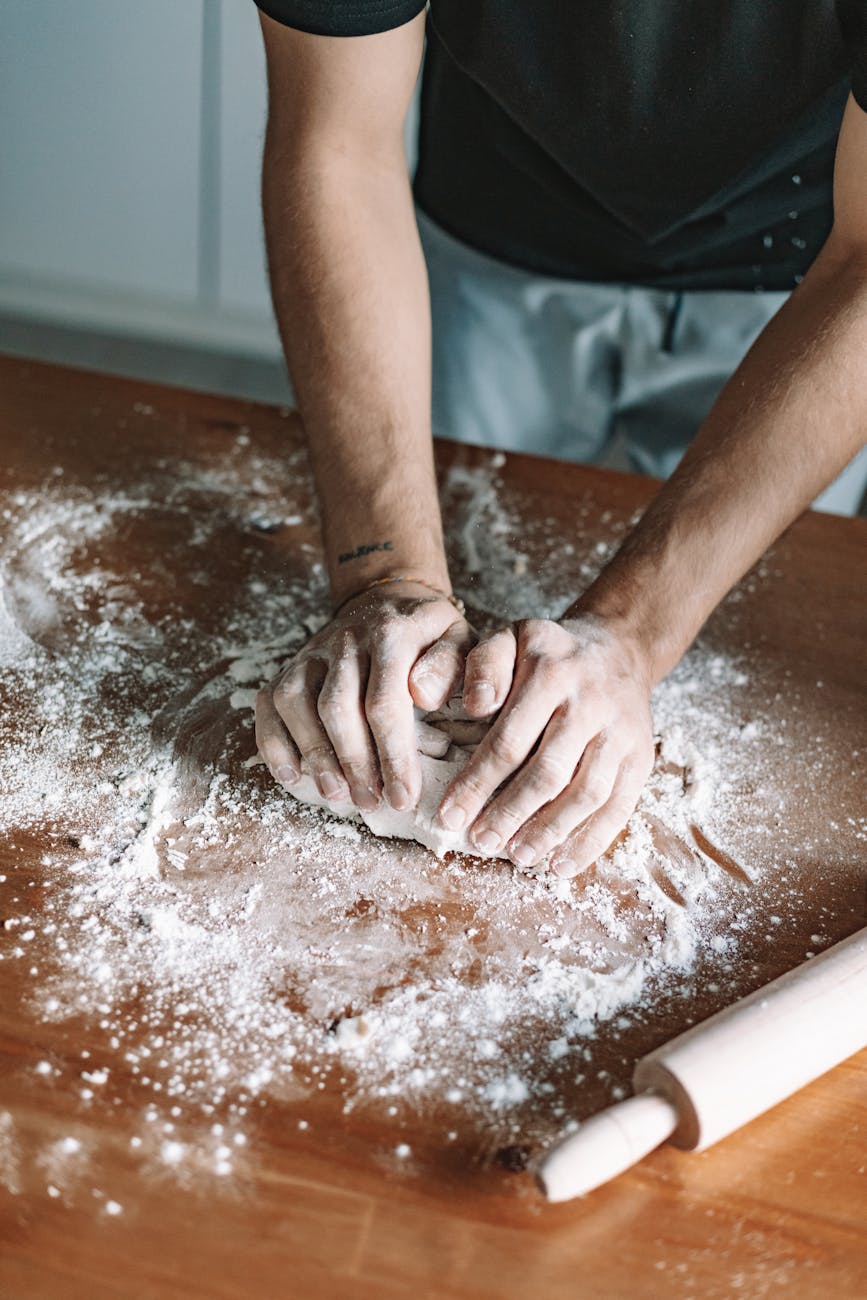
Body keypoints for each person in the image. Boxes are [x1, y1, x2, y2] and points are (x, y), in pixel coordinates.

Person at [253, 2, 867, 879]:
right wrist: (384, 577)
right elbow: (337, 145)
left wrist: (630, 633)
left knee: (733, 630)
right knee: (457, 616)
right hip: (493, 227)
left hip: (805, 281)